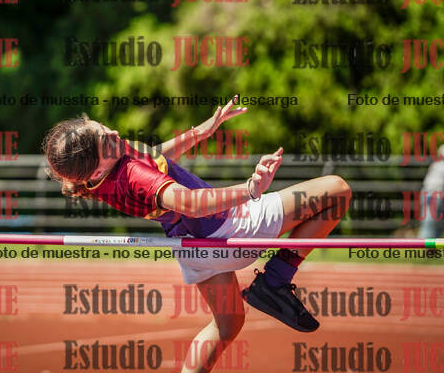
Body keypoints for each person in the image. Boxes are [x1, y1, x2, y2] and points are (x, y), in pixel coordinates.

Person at [43, 96, 352, 373]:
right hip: (227, 229)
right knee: (336, 191)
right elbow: (190, 203)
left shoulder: (99, 175)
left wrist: (201, 132)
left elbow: (153, 157)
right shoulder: (132, 175)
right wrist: (251, 189)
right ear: (97, 169)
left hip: (193, 249)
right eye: (105, 140)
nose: (113, 134)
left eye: (103, 129)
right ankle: (275, 280)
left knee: (226, 326)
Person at [419, 144, 444, 238]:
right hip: (434, 194)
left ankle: (428, 242)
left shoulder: (436, 165)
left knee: (431, 222)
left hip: (429, 193)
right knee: (430, 222)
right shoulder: (440, 166)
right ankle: (425, 243)